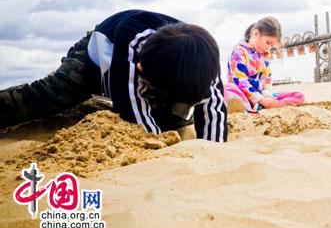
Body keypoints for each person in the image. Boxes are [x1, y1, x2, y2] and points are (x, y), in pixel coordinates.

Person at [0, 9, 227, 142]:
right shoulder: (132, 47)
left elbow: (213, 112)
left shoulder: (204, 62)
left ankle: (92, 108)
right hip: (97, 56)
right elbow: (134, 112)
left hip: (166, 70)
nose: (140, 71)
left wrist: (213, 153)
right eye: (142, 71)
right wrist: (155, 143)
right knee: (49, 96)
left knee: (173, 120)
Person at [225, 16, 304, 113]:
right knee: (228, 90)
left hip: (261, 97)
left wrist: (267, 95)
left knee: (299, 96)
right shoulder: (239, 51)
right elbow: (240, 81)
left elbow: (267, 79)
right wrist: (262, 100)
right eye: (267, 43)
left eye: (271, 46)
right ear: (256, 34)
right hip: (243, 95)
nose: (268, 48)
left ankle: (259, 107)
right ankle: (246, 107)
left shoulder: (265, 55)